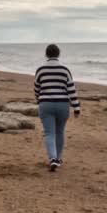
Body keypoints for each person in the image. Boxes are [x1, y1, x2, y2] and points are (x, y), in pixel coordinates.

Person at [34, 44, 80, 172]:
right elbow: (71, 89)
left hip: (45, 104)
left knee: (49, 133)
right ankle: (58, 158)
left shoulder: (41, 70)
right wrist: (76, 107)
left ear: (46, 54)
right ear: (58, 54)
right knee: (60, 132)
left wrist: (39, 100)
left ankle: (53, 158)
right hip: (62, 104)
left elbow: (37, 88)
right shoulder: (65, 70)